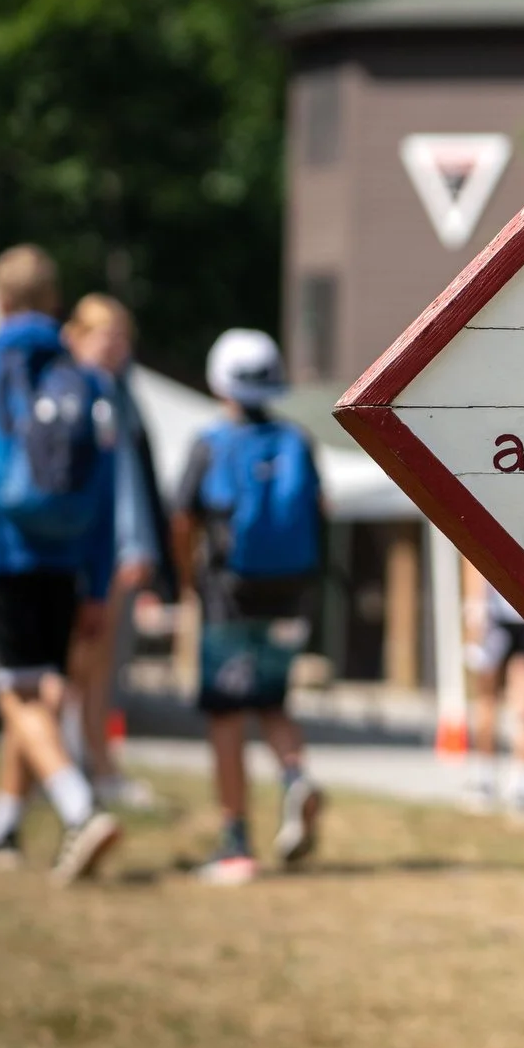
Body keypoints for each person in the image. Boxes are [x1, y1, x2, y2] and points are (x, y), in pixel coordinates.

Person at [0, 244, 123, 883]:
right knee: (39, 686)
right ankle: (3, 829)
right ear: (55, 304)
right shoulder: (93, 383)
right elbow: (106, 495)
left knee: (15, 691)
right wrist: (98, 586)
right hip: (70, 557)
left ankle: (79, 807)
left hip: (4, 551)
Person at [173, 329, 326, 886]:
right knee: (273, 703)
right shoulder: (298, 440)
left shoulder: (210, 442)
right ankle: (295, 777)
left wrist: (185, 578)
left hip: (228, 598)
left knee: (226, 714)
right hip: (290, 594)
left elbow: (182, 517)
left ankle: (235, 840)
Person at [63, 294, 163, 810]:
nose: (118, 346)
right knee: (78, 666)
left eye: (123, 337)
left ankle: (92, 764)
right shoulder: (90, 393)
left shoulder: (118, 394)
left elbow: (130, 484)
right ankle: (78, 767)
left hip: (109, 552)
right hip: (85, 551)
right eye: (108, 335)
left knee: (99, 666)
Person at [461, 560, 524, 813]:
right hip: (516, 614)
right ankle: (516, 785)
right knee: (513, 701)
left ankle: (497, 782)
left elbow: (472, 560)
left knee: (495, 701)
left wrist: (474, 610)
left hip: (499, 616)